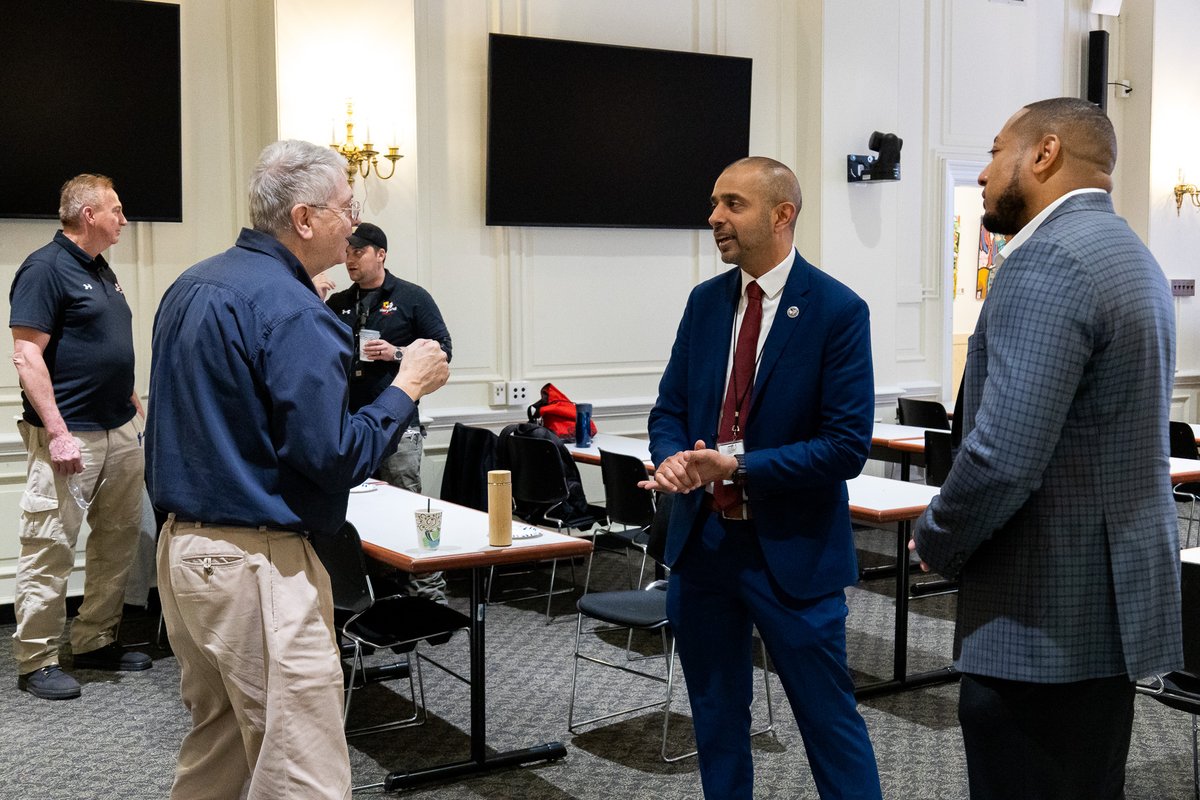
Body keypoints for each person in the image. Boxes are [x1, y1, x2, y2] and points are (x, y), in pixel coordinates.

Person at [145, 139, 449, 800]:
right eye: (346, 206)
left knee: (219, 751)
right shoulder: (294, 313)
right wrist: (409, 387)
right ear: (306, 219)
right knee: (303, 773)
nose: (355, 219)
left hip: (184, 553)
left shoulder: (191, 286)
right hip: (257, 562)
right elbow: (335, 459)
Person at [911, 97, 1182, 800]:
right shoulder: (1132, 256)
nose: (982, 172)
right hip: (1105, 608)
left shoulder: (1049, 262)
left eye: (997, 150)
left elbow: (1004, 454)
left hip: (1040, 617)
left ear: (1044, 153)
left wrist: (937, 535)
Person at [639, 156, 881, 799]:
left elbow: (845, 447)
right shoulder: (706, 302)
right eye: (715, 203)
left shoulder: (836, 310)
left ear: (782, 214)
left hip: (792, 554)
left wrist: (740, 466)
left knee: (828, 723)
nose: (714, 217)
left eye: (733, 204)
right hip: (704, 549)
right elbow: (669, 409)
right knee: (716, 722)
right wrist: (673, 458)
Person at [9, 174, 151, 701]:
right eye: (116, 210)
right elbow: (27, 356)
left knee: (116, 544)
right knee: (49, 547)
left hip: (117, 428)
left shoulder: (100, 269)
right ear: (89, 214)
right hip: (70, 438)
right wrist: (58, 432)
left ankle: (94, 640)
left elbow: (96, 344)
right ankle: (37, 660)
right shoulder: (44, 269)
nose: (124, 219)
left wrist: (128, 392)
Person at [325, 222, 452, 602]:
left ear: (380, 254)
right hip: (350, 427)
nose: (350, 258)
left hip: (399, 426)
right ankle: (378, 593)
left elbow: (443, 352)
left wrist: (396, 354)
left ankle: (428, 594)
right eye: (347, 251)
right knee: (360, 515)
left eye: (358, 251)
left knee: (407, 509)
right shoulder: (339, 304)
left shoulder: (412, 298)